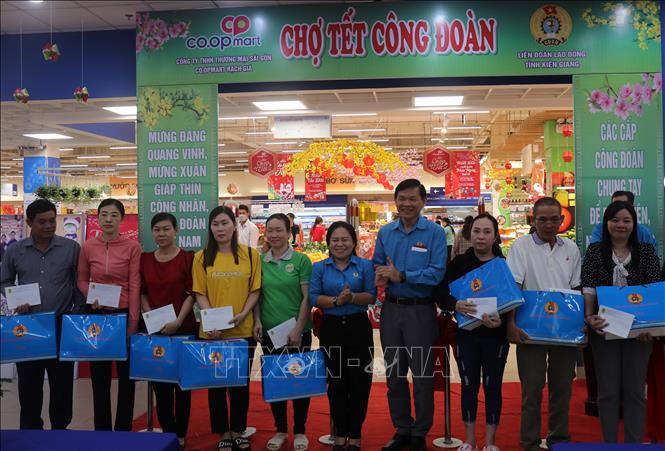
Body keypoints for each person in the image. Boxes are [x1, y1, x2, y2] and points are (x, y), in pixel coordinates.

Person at [373, 179, 447, 451]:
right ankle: (402, 427)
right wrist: (380, 276)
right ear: (395, 201)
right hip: (391, 310)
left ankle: (420, 432)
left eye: (412, 199)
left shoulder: (435, 233)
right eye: (402, 198)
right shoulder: (385, 232)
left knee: (422, 375)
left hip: (421, 311)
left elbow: (437, 273)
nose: (406, 204)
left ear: (423, 201)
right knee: (394, 374)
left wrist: (402, 275)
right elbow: (377, 264)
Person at [505, 197, 581, 451]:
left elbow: (576, 289)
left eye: (554, 219)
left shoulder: (570, 248)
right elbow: (514, 287)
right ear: (533, 220)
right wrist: (510, 324)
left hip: (564, 331)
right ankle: (529, 441)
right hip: (530, 330)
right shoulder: (521, 247)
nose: (549, 224)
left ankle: (558, 438)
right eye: (542, 219)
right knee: (532, 390)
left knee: (562, 388)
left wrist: (579, 328)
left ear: (562, 220)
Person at [581, 201, 661, 443]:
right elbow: (588, 287)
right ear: (606, 223)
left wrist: (651, 327)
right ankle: (610, 443)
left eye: (627, 220)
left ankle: (633, 444)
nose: (621, 225)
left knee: (635, 391)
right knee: (607, 392)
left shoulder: (646, 251)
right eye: (615, 220)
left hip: (639, 334)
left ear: (634, 224)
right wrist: (589, 316)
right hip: (604, 329)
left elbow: (654, 293)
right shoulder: (595, 251)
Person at [1, 199, 82, 430]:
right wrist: (15, 299)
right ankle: (31, 432)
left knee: (62, 384)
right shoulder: (15, 250)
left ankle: (60, 431)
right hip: (29, 326)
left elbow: (79, 283)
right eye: (42, 222)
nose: (48, 226)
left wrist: (75, 312)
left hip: (60, 324)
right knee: (29, 384)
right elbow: (4, 280)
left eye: (51, 221)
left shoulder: (71, 248)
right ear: (29, 222)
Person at [435, 213, 508, 451]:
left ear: (495, 236)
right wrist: (455, 304)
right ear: (470, 234)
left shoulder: (503, 264)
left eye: (487, 232)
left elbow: (513, 298)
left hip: (495, 335)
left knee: (493, 386)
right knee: (468, 385)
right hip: (466, 334)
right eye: (477, 231)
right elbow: (440, 293)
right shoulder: (459, 263)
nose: (481, 237)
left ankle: (491, 442)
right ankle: (469, 440)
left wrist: (503, 320)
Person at [192, 205, 261, 451]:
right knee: (217, 385)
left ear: (234, 225)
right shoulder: (201, 257)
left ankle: (239, 429)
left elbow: (255, 290)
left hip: (242, 330)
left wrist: (244, 314)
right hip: (213, 333)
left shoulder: (250, 255)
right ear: (210, 228)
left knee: (240, 384)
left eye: (225, 223)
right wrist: (212, 321)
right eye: (215, 224)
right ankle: (223, 431)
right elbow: (200, 293)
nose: (220, 228)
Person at [310, 222, 377, 451]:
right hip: (332, 329)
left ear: (353, 242)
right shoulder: (320, 268)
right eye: (335, 240)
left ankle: (355, 434)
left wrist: (352, 298)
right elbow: (314, 297)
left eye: (345, 239)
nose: (340, 244)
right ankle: (340, 434)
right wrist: (336, 301)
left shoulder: (365, 266)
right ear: (328, 243)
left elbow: (371, 296)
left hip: (359, 328)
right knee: (336, 383)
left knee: (360, 382)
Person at [77, 198, 142, 431]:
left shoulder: (132, 247)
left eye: (114, 215)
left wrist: (133, 322)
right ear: (98, 218)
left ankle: (123, 430)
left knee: (126, 379)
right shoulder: (87, 247)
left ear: (122, 219)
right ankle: (102, 431)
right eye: (104, 214)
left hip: (123, 315)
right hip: (97, 316)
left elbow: (135, 285)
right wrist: (90, 295)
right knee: (99, 378)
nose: (108, 219)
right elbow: (81, 279)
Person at [252, 213, 314, 451]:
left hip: (298, 333)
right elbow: (257, 295)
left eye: (279, 230)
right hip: (270, 334)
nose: (274, 235)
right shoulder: (259, 261)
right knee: (275, 381)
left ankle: (300, 431)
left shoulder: (301, 261)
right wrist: (257, 320)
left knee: (299, 381)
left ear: (289, 233)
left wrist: (298, 328)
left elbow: (307, 298)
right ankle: (280, 429)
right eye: (270, 230)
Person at [140, 213, 196, 448]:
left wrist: (178, 321)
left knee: (182, 387)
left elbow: (192, 293)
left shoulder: (188, 258)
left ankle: (181, 433)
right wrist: (152, 318)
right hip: (156, 331)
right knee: (161, 387)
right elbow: (142, 292)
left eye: (166, 229)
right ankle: (168, 433)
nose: (161, 234)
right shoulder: (145, 259)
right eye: (157, 230)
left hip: (183, 328)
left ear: (176, 230)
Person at [589, 191, 657, 249]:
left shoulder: (644, 233)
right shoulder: (599, 229)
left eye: (626, 221)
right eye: (615, 205)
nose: (620, 225)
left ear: (632, 207)